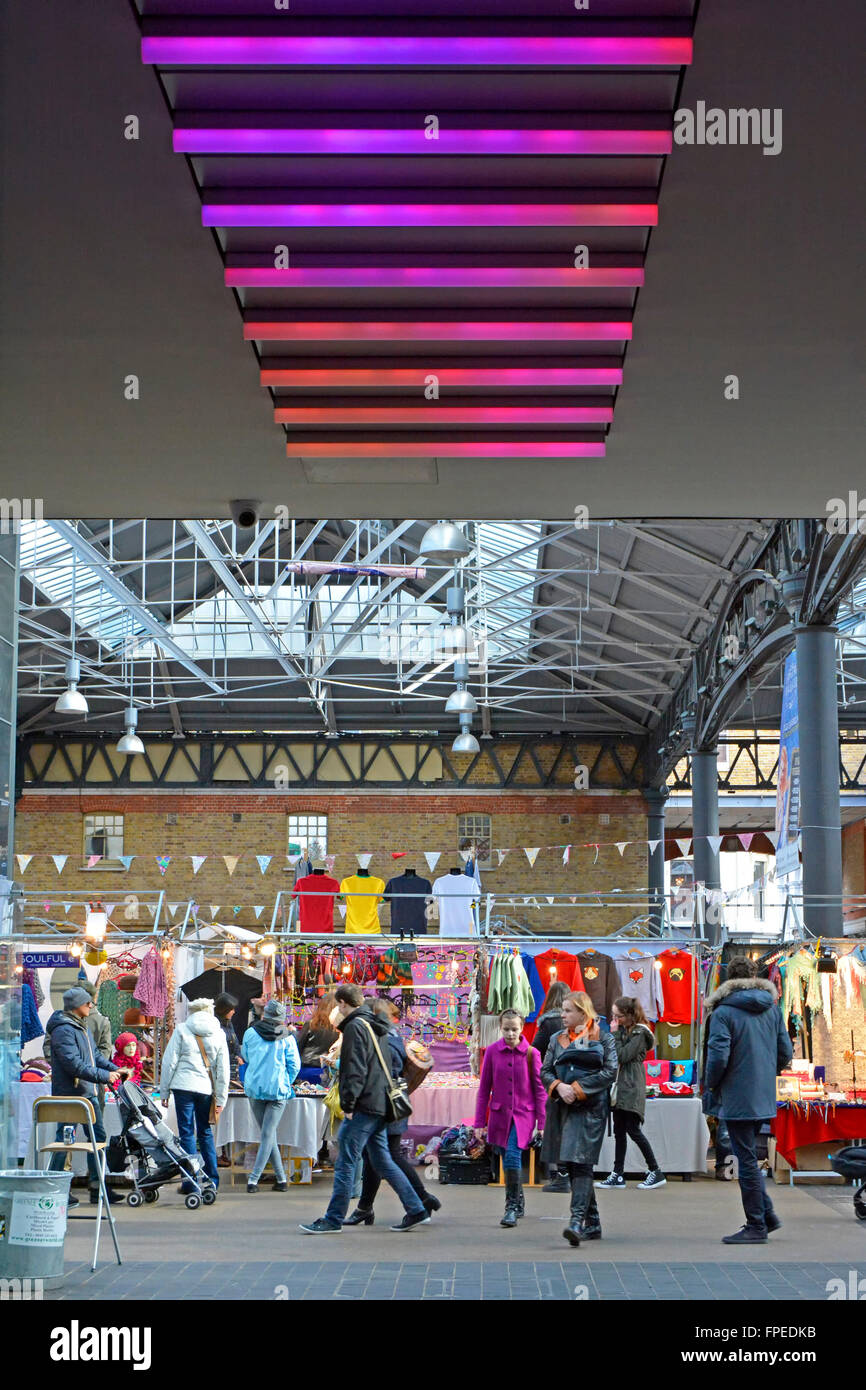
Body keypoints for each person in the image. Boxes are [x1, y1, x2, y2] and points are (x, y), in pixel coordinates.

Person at [299, 983, 431, 1235]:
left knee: (346, 1160)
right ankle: (416, 1208)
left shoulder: (356, 1027)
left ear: (342, 1003)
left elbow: (355, 1069)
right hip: (379, 1102)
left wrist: (348, 1103)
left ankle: (333, 1218)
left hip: (365, 1104)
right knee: (382, 1159)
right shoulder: (375, 1025)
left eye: (338, 1004)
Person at [703, 955, 792, 1244]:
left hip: (737, 1095)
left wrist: (712, 1084)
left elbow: (718, 1057)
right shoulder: (772, 1010)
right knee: (750, 1155)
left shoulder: (723, 1013)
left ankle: (756, 1225)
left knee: (746, 1161)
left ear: (729, 980)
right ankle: (767, 1216)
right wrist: (766, 1072)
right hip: (762, 1094)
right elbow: (786, 1053)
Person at [344, 999, 441, 1226]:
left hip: (386, 1104)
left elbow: (387, 1071)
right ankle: (366, 1208)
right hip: (390, 1104)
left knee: (386, 1157)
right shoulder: (391, 1036)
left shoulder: (384, 1040)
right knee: (375, 1157)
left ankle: (422, 1200)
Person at [541, 989, 618, 1247]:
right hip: (563, 1107)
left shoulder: (604, 1038)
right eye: (563, 1010)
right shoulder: (556, 1039)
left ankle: (576, 1221)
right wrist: (558, 1087)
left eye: (567, 1011)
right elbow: (545, 1071)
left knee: (581, 1161)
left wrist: (577, 1089)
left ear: (582, 1013)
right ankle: (592, 1222)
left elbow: (610, 1071)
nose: (562, 1015)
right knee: (574, 1163)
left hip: (590, 1110)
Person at [45, 986, 123, 1207]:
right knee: (64, 1141)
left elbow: (95, 1056)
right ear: (77, 1005)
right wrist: (104, 1075)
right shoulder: (63, 1029)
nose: (91, 1005)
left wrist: (115, 1068)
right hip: (70, 1095)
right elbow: (74, 1064)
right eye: (87, 1002)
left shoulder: (81, 1026)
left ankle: (97, 1186)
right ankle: (55, 1189)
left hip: (86, 1093)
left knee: (98, 1138)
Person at [475, 1008, 547, 1228]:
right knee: (508, 1159)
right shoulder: (492, 1052)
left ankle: (511, 1207)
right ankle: (520, 1200)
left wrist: (542, 1123)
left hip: (523, 1116)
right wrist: (479, 1123)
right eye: (506, 1029)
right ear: (500, 1028)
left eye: (514, 1029)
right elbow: (484, 1088)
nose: (510, 1033)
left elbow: (540, 1090)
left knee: (513, 1156)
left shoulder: (532, 1053)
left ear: (522, 1028)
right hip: (499, 1116)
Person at [160, 997, 229, 1198]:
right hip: (205, 1089)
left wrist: (164, 1091)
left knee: (187, 1133)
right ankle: (212, 1180)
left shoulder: (182, 1030)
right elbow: (222, 1069)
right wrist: (221, 1099)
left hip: (182, 1087)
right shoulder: (218, 1033)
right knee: (205, 1132)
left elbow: (169, 1062)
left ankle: (190, 1182)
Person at [596, 996, 665, 1190]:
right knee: (619, 1131)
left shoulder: (640, 1033)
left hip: (631, 1085)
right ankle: (617, 1173)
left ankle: (655, 1170)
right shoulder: (628, 1031)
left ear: (629, 1015)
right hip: (621, 1085)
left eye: (618, 1016)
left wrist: (615, 1034)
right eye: (614, 1016)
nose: (614, 1019)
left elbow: (622, 1055)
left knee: (633, 1129)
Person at [241, 999, 301, 1193]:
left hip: (255, 1089)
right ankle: (263, 1179)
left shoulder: (250, 1033)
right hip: (278, 1091)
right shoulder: (288, 1037)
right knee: (268, 1134)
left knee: (267, 1133)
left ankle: (265, 1179)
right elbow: (295, 1065)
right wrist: (286, 1080)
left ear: (264, 1015)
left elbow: (246, 1057)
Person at [531, 980, 572, 1192]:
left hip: (554, 1081)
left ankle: (560, 1175)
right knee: (570, 1128)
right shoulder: (577, 1023)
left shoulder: (548, 1023)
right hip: (575, 1080)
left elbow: (534, 1050)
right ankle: (570, 1174)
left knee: (555, 1128)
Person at [295, 991, 340, 1083]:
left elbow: (298, 1047)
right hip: (328, 1071)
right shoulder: (339, 1029)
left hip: (306, 1070)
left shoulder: (311, 1024)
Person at [214, 992, 241, 1083]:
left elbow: (235, 1042)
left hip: (232, 1069)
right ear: (224, 1010)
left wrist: (238, 1056)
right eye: (231, 1009)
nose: (234, 1012)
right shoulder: (214, 1025)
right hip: (220, 1071)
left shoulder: (229, 1023)